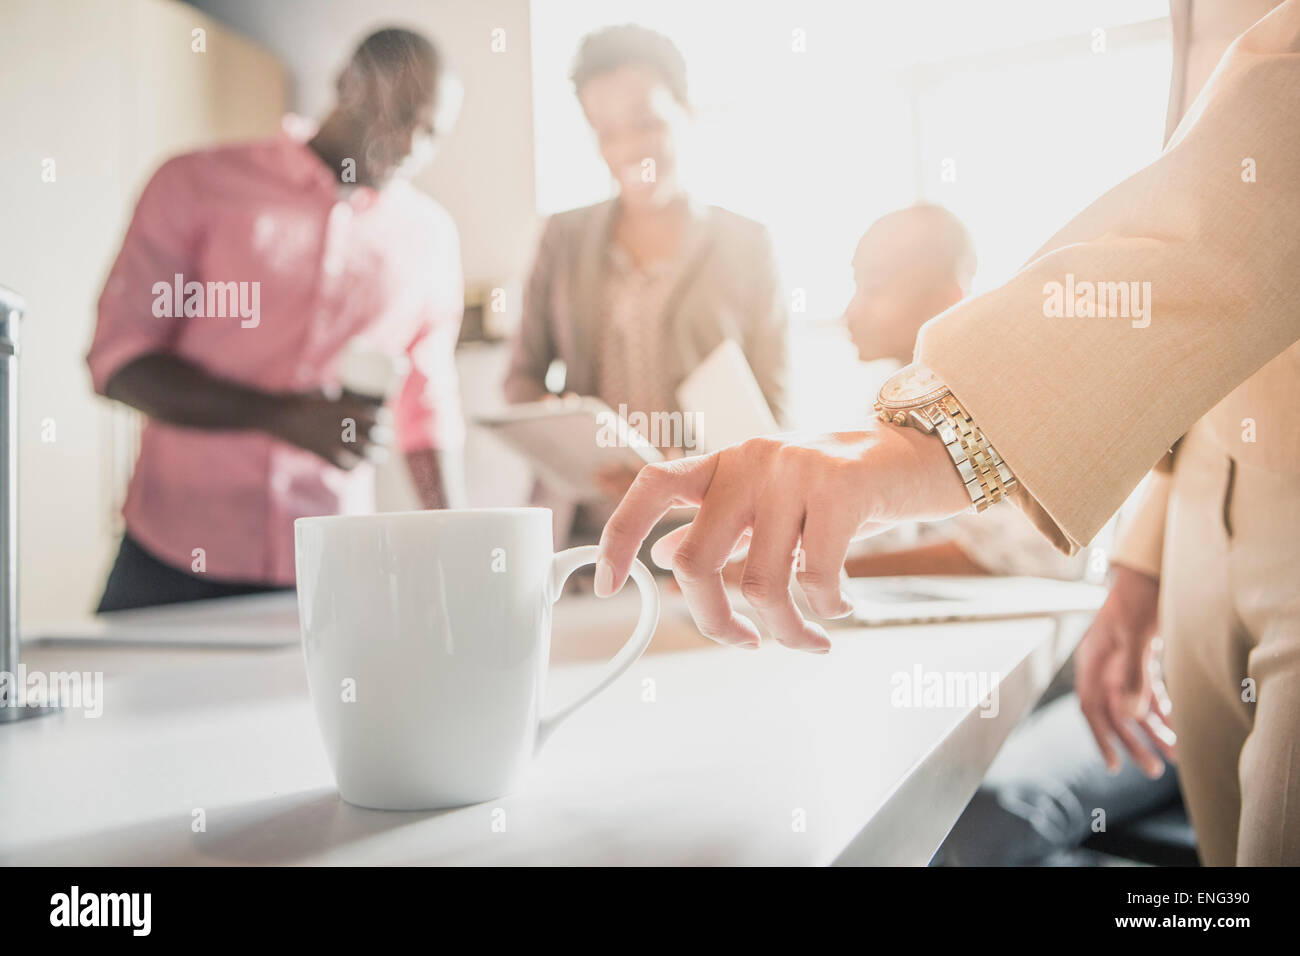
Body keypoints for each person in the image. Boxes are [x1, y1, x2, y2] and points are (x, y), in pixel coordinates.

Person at [595, 1, 1300, 865]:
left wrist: (915, 447)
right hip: (1194, 507)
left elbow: (1244, 202)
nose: (853, 308)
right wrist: (1144, 563)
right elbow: (1204, 253)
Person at [87, 28, 467, 611]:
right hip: (169, 560)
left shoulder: (431, 237)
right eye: (402, 114)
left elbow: (427, 407)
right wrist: (285, 418)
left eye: (432, 132)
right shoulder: (196, 184)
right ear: (347, 85)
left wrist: (463, 548)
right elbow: (120, 362)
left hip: (334, 570)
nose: (412, 144)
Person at [504, 24, 789, 547]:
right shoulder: (562, 238)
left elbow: (773, 407)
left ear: (687, 110)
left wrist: (693, 468)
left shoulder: (747, 244)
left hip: (708, 526)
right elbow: (521, 378)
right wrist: (561, 431)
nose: (629, 148)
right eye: (607, 131)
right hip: (587, 528)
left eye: (646, 124)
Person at [839, 204, 1085, 581]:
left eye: (872, 289)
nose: (850, 314)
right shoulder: (899, 400)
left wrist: (835, 570)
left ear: (947, 298)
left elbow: (1029, 551)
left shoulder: (1018, 396)